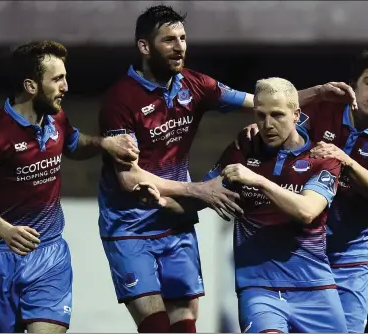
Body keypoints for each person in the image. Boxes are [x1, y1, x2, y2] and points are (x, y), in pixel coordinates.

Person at [98, 5, 358, 333]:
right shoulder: (119, 101)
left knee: (183, 318)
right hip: (131, 223)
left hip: (176, 217)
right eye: (169, 40)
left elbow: (262, 102)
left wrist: (317, 93)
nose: (180, 47)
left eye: (183, 38)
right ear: (144, 47)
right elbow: (128, 178)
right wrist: (199, 190)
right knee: (156, 325)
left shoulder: (196, 85)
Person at [135, 77, 348, 333]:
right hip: (259, 290)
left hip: (315, 289)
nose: (268, 125)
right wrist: (161, 201)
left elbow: (307, 211)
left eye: (277, 115)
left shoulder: (322, 159)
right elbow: (199, 199)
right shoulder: (242, 150)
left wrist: (258, 181)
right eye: (261, 115)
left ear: (296, 114)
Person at [0, 40, 139, 333]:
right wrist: (5, 230)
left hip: (49, 253)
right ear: (31, 86)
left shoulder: (56, 118)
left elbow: (73, 143)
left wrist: (104, 143)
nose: (66, 86)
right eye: (57, 79)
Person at [238, 48, 368, 333]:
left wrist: (342, 158)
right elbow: (281, 116)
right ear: (354, 85)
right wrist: (264, 125)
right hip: (302, 257)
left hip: (350, 260)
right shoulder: (321, 113)